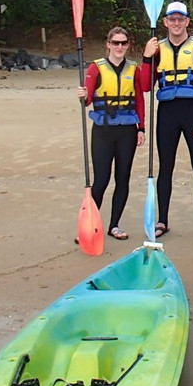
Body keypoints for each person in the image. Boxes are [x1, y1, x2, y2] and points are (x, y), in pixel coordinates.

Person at [139, 1, 193, 239]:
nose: (176, 23)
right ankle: (162, 221)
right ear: (164, 22)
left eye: (180, 19)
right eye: (171, 19)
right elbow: (145, 86)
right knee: (166, 167)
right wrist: (145, 56)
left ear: (187, 22)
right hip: (167, 113)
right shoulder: (158, 49)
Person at [75, 26, 144, 241]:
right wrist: (83, 95)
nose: (120, 47)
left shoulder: (134, 69)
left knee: (122, 179)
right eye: (116, 43)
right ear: (108, 45)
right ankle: (88, 226)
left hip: (127, 131)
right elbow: (87, 101)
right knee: (101, 180)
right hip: (103, 130)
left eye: (123, 43)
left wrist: (141, 128)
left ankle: (114, 225)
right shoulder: (96, 68)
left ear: (128, 45)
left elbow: (140, 100)